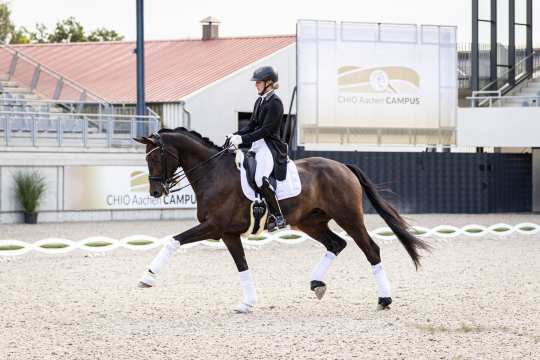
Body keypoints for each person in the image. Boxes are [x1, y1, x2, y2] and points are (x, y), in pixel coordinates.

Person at [227, 66, 288, 232]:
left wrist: (242, 139)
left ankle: (278, 216)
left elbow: (265, 131)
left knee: (261, 178)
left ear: (269, 83)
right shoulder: (260, 101)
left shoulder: (275, 102)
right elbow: (252, 125)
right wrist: (235, 135)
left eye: (259, 82)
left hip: (270, 146)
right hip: (257, 145)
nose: (256, 85)